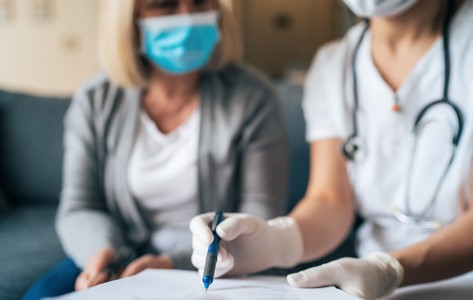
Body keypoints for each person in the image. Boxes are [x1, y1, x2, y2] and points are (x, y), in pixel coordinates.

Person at [190, 0, 473, 299]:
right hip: (367, 287)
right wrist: (278, 239)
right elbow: (330, 200)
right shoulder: (333, 65)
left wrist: (390, 268)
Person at [23, 0, 288, 299]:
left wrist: (169, 265)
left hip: (218, 265)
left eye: (201, 2)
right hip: (118, 257)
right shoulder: (96, 100)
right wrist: (100, 253)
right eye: (164, 5)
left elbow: (261, 217)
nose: (188, 17)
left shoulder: (254, 98)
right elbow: (80, 205)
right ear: (129, 21)